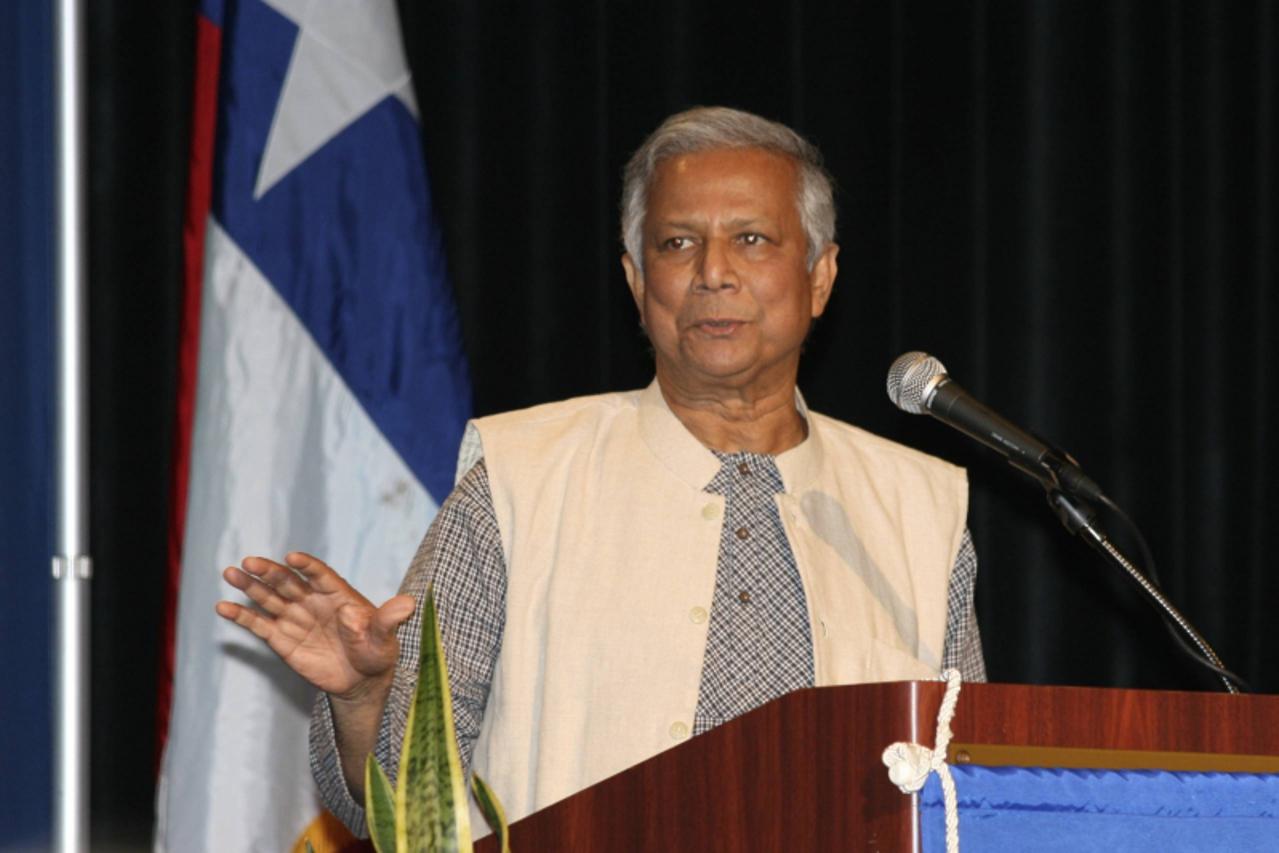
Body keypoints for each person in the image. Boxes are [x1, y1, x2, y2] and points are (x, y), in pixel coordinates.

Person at [216, 106, 985, 836]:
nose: (713, 271)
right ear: (635, 279)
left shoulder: (918, 506)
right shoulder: (520, 480)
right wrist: (363, 698)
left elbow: (970, 794)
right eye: (677, 243)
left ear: (819, 276)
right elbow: (404, 805)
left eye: (751, 239)